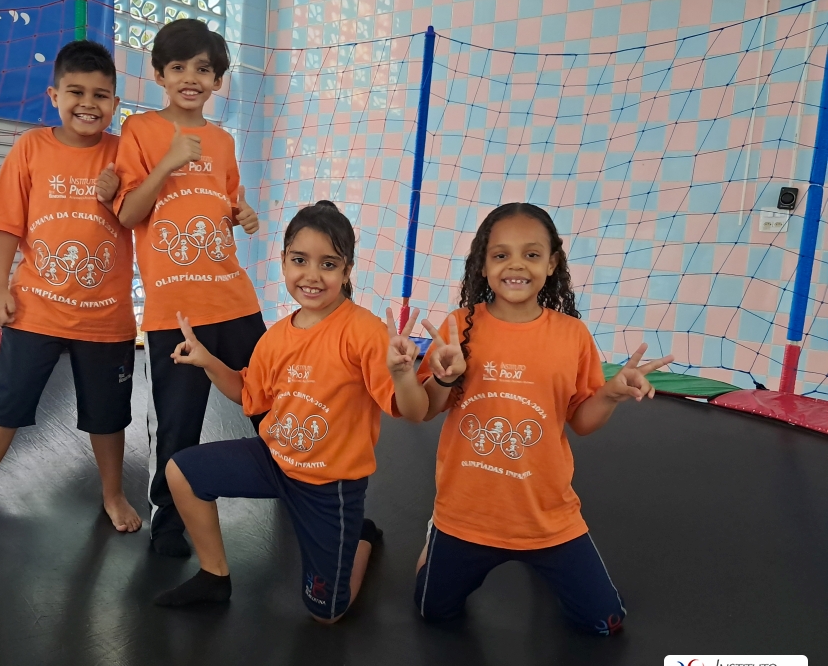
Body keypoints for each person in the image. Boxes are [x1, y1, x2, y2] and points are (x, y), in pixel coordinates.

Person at [152, 201, 429, 622]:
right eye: (300, 260)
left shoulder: (365, 332)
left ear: (347, 270)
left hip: (329, 485)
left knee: (326, 614)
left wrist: (404, 374)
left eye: (328, 264)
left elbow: (413, 411)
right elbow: (247, 394)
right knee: (181, 471)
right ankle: (214, 575)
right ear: (283, 262)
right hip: (274, 460)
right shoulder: (276, 336)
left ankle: (360, 539)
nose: (312, 275)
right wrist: (208, 361)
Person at [413, 202, 673, 633]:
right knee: (432, 612)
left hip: (547, 517)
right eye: (501, 255)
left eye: (531, 254)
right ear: (483, 265)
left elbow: (582, 422)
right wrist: (443, 378)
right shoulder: (459, 326)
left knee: (608, 623)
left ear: (551, 263)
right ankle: (434, 538)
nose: (516, 265)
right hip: (466, 514)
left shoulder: (572, 335)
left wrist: (609, 394)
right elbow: (427, 408)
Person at [0, 41, 140, 544]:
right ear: (54, 95)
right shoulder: (31, 148)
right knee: (4, 405)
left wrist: (118, 194)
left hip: (106, 317)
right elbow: (7, 223)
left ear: (115, 103)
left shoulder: (124, 154)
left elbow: (143, 215)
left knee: (108, 416)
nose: (88, 104)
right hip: (35, 310)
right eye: (76, 92)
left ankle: (112, 493)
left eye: (101, 95)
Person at [113, 19, 265, 557]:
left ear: (218, 80)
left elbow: (224, 205)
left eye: (203, 69)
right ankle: (170, 521)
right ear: (159, 74)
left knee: (273, 399)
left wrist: (242, 214)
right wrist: (170, 163)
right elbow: (128, 213)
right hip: (174, 312)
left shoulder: (222, 141)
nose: (190, 78)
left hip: (235, 299)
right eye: (178, 67)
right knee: (178, 423)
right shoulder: (139, 130)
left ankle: (304, 485)